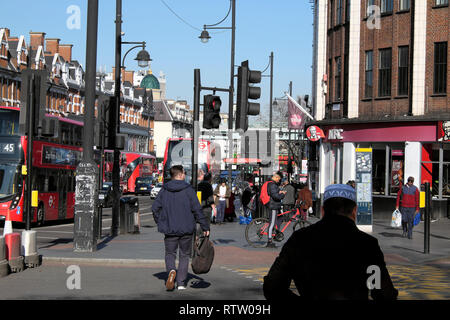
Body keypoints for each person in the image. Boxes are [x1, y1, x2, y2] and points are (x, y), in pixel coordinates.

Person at [263, 184, 398, 300]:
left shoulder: (300, 239)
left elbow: (272, 286)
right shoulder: (367, 244)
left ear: (322, 210)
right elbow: (383, 293)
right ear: (355, 211)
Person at [152, 165, 210, 291]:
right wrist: (205, 226)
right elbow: (197, 210)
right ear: (180, 174)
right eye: (184, 173)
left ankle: (172, 270)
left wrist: (161, 222)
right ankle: (181, 283)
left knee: (170, 253)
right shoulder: (189, 190)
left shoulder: (164, 190)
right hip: (186, 229)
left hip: (169, 228)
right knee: (184, 255)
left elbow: (155, 208)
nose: (185, 175)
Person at [265, 171, 287, 248]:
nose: (279, 181)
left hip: (274, 205)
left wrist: (279, 192)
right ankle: (269, 241)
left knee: (277, 220)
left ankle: (275, 233)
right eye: (279, 179)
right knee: (271, 224)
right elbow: (276, 196)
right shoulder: (272, 184)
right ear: (276, 177)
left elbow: (274, 193)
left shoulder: (272, 184)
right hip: (273, 206)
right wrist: (282, 194)